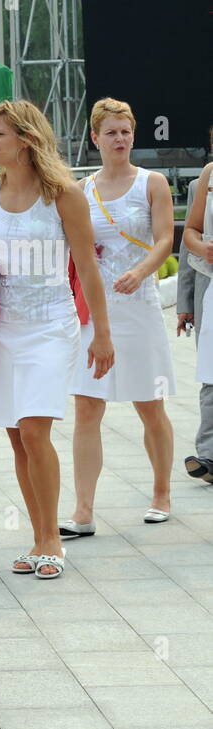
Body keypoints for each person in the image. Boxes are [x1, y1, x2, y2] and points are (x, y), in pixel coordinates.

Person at [0, 100, 114, 580]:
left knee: (35, 430)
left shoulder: (64, 194)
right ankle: (37, 537)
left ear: (26, 140)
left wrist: (103, 334)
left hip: (52, 325)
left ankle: (52, 538)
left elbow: (88, 268)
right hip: (4, 327)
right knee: (18, 438)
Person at [61, 98, 176, 535]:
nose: (120, 139)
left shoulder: (153, 182)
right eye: (111, 132)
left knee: (150, 405)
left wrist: (141, 270)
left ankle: (162, 492)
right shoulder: (82, 189)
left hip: (139, 306)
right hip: (94, 310)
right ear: (95, 138)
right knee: (87, 407)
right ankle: (83, 510)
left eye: (126, 131)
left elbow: (166, 239)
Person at [180, 133, 213, 483]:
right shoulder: (205, 179)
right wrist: (184, 303)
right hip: (210, 293)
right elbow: (190, 240)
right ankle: (208, 456)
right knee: (210, 374)